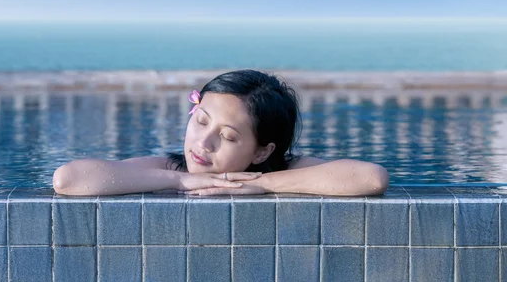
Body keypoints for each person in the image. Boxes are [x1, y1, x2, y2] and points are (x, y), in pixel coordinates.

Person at [52, 69, 389, 197]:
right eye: (201, 121)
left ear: (261, 152)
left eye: (227, 137)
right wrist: (180, 181)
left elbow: (370, 178)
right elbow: (68, 180)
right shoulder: (171, 169)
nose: (203, 142)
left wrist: (262, 184)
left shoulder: (285, 170)